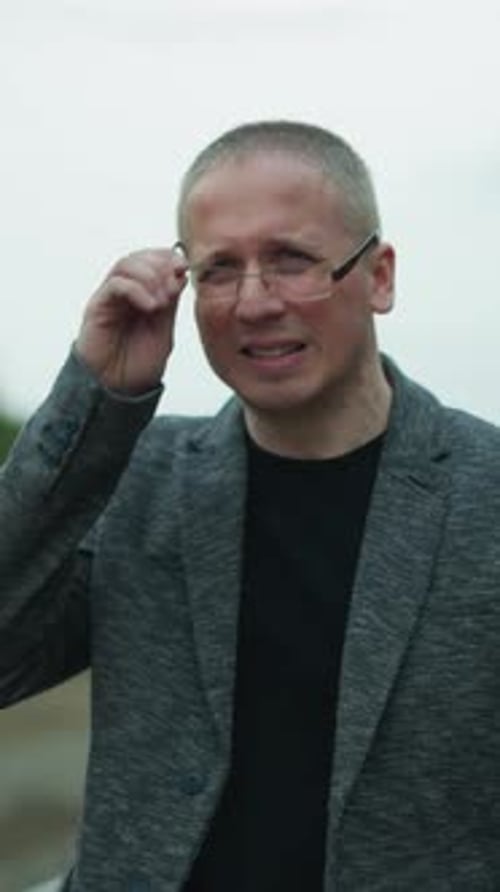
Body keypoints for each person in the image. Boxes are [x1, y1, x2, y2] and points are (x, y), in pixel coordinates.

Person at [1, 120, 500, 892]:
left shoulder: (486, 490)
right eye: (219, 270)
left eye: (292, 260)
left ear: (380, 276)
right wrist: (94, 401)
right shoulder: (139, 476)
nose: (255, 303)